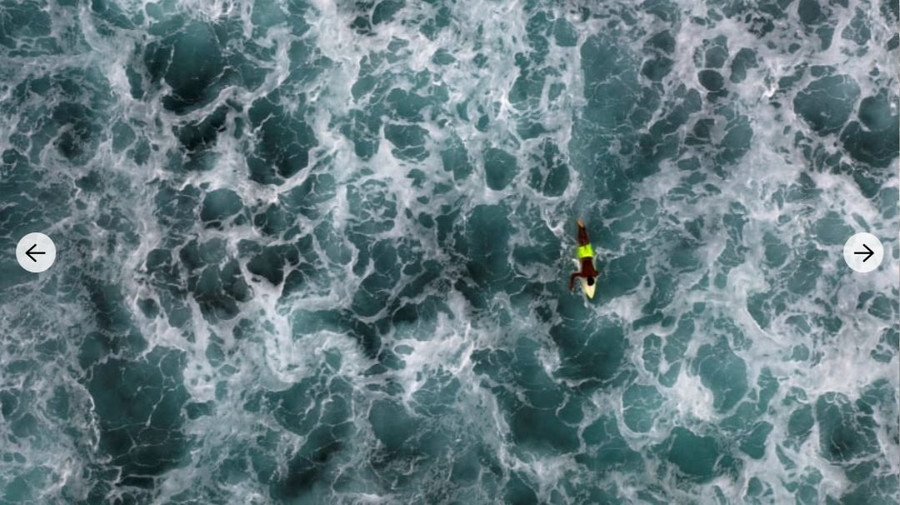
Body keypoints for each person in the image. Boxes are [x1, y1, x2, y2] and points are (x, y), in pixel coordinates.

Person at [569, 219, 599, 291]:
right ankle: (580, 227)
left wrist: (595, 274)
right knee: (580, 240)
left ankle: (583, 229)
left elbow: (597, 272)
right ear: (587, 279)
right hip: (583, 256)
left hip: (589, 255)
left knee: (586, 241)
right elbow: (573, 275)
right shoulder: (583, 274)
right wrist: (571, 284)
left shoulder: (594, 274)